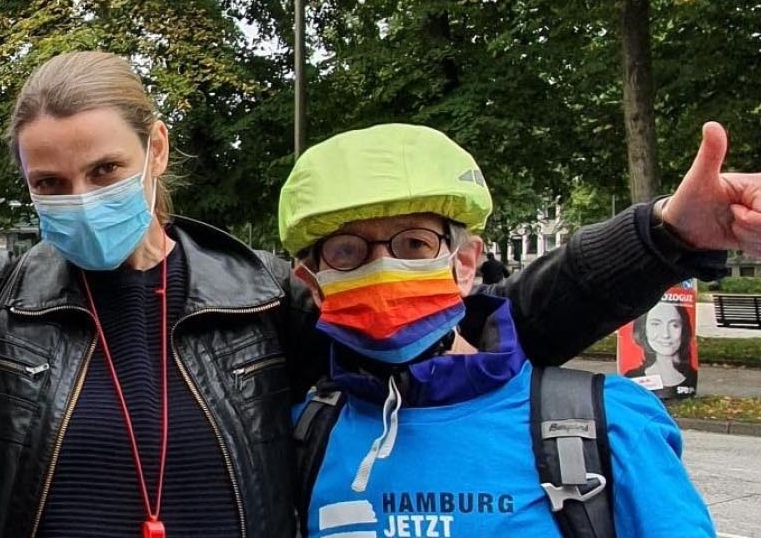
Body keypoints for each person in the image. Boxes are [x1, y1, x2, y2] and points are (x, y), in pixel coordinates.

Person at [0, 51, 761, 537]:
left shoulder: (267, 297)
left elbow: (479, 321)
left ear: (157, 152)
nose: (78, 199)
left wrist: (663, 239)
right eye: (48, 183)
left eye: (102, 173)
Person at [281, 124, 714, 537]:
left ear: (465, 263)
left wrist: (666, 234)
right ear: (314, 286)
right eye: (346, 251)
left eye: (414, 244)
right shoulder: (306, 434)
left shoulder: (607, 423)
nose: (383, 267)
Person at [626, 300, 695, 394]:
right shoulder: (631, 379)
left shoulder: (692, 378)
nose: (665, 334)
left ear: (684, 329)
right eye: (655, 324)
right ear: (644, 329)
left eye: (674, 325)